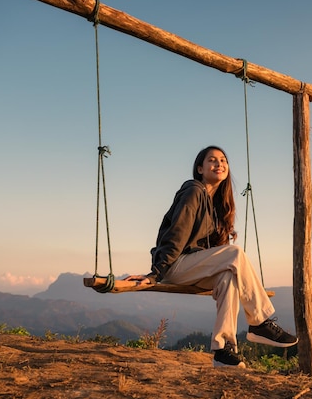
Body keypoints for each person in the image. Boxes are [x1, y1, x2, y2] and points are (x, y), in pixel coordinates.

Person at [126, 145, 298, 368]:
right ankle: (260, 322)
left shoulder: (216, 206)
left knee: (228, 277)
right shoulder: (193, 191)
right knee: (235, 253)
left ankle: (222, 350)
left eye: (224, 160)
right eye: (212, 160)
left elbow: (213, 253)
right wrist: (156, 273)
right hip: (175, 264)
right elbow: (176, 234)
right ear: (199, 168)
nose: (220, 164)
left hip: (195, 267)